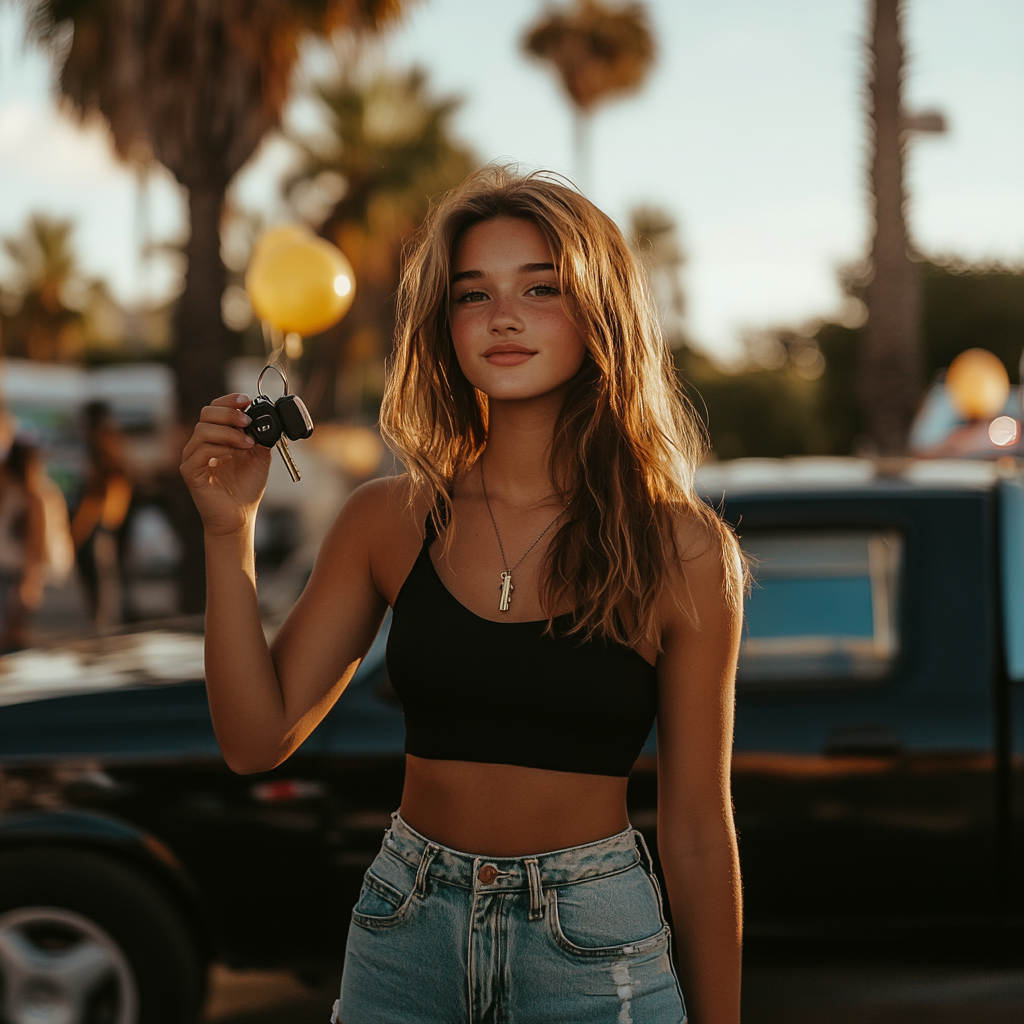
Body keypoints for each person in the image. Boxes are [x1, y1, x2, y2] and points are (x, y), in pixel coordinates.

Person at [181, 166, 744, 1024]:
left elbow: (699, 832)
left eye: (542, 288)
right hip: (405, 927)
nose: (503, 317)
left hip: (592, 944)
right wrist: (230, 533)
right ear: (443, 328)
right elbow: (256, 742)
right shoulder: (387, 520)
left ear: (603, 313)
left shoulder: (680, 548)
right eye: (472, 294)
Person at [72, 401, 133, 629]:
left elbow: (93, 495)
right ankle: (106, 625)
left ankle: (103, 629)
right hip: (110, 520)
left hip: (96, 521)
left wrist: (78, 528)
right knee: (107, 577)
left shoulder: (99, 444)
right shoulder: (114, 442)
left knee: (98, 580)